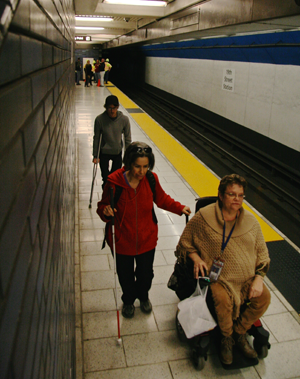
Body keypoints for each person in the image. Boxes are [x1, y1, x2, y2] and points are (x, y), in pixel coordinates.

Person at [175, 174, 271, 365]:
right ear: (221, 195)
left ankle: (239, 332)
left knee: (264, 298)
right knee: (222, 300)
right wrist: (195, 258)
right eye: (232, 194)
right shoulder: (204, 217)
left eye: (241, 195)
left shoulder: (251, 222)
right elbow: (183, 244)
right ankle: (226, 337)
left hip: (246, 279)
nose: (237, 199)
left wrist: (259, 278)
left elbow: (263, 254)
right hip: (217, 278)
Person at [97, 141, 191, 318]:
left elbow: (162, 199)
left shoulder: (150, 179)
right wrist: (106, 211)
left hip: (147, 239)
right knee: (125, 276)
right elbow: (102, 207)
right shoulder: (114, 183)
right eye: (137, 167)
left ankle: (144, 296)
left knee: (145, 274)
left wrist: (179, 208)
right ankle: (128, 300)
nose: (141, 172)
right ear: (129, 163)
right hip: (122, 240)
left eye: (145, 166)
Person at [93, 95, 131, 189]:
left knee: (115, 178)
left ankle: (113, 198)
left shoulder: (124, 120)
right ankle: (106, 197)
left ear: (118, 107)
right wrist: (95, 156)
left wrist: (128, 156)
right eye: (109, 108)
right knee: (106, 179)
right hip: (104, 152)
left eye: (114, 108)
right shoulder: (99, 120)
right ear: (105, 107)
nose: (112, 110)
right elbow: (96, 138)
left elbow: (127, 138)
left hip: (117, 152)